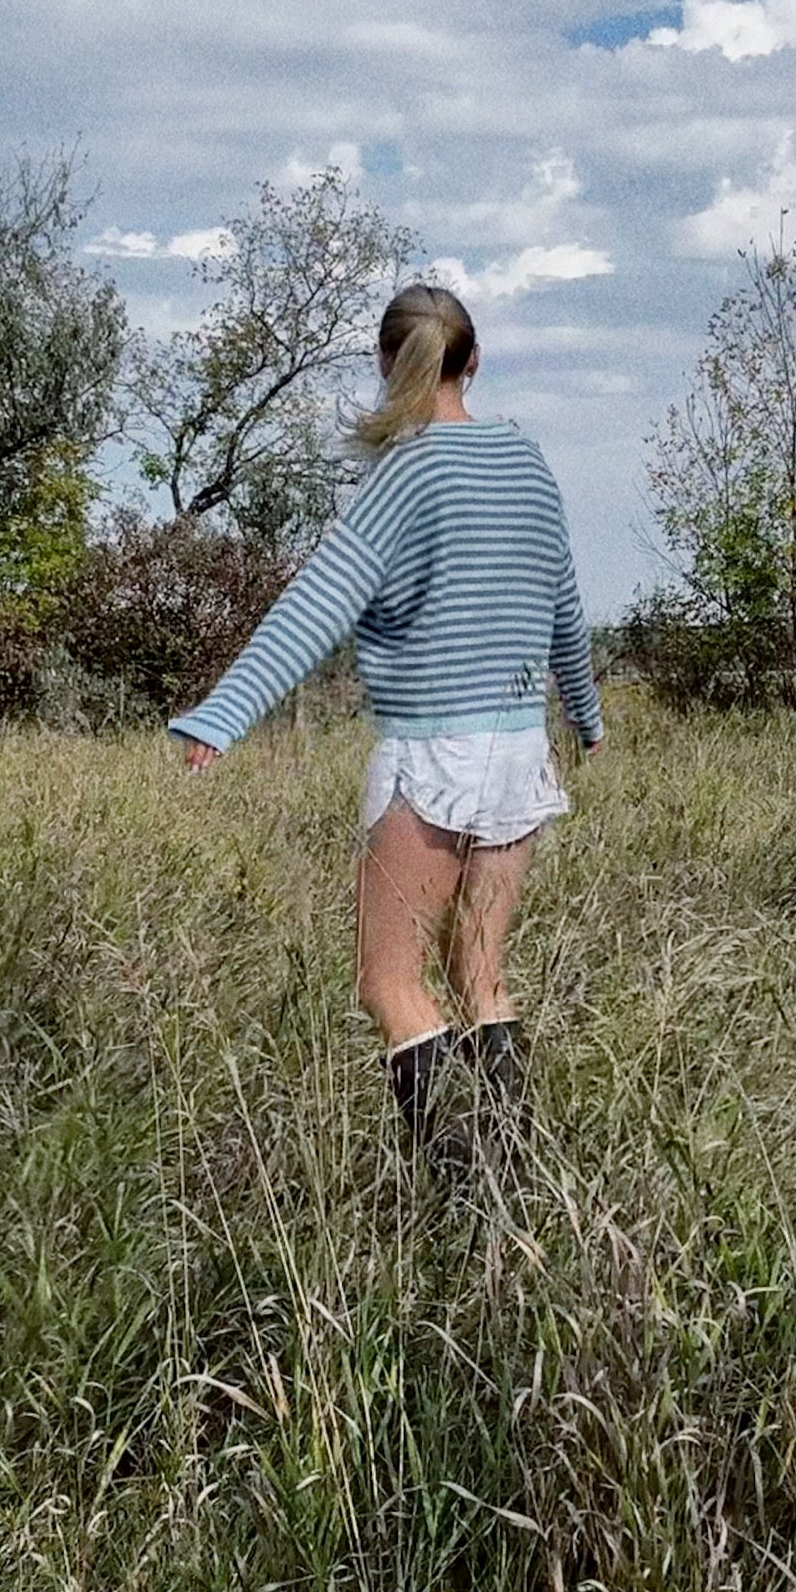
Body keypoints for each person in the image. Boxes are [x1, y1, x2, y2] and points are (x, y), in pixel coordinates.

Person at [169, 282, 604, 1166]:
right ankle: (515, 1182)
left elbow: (316, 604)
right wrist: (586, 717)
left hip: (431, 758)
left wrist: (225, 711)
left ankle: (460, 1197)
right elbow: (564, 605)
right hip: (522, 751)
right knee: (479, 976)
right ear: (472, 360)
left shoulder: (408, 473)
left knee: (389, 985)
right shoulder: (527, 462)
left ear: (386, 364)